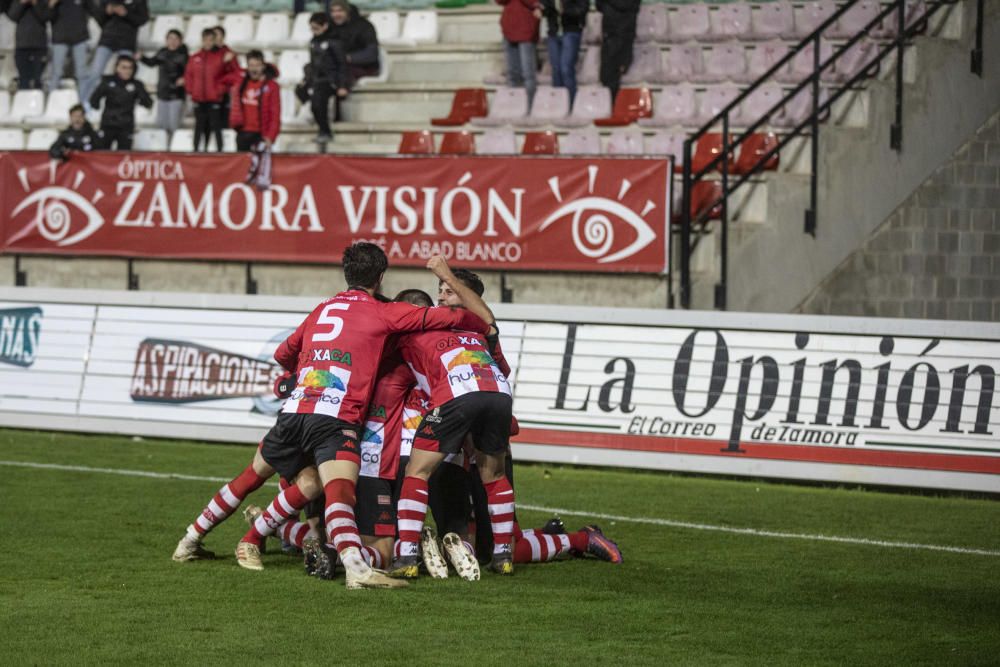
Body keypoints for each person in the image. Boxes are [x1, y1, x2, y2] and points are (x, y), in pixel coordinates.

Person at [232, 243, 492, 591]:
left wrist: (297, 380)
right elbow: (487, 328)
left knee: (317, 496)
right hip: (379, 459)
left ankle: (293, 535)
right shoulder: (413, 347)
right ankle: (294, 534)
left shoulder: (370, 332)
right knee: (379, 536)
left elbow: (291, 354)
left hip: (352, 449)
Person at [389, 255, 518, 577]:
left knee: (417, 472)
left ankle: (406, 557)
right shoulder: (477, 330)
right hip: (498, 394)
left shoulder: (418, 324)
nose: (442, 296)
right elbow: (492, 332)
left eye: (448, 290)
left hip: (457, 396)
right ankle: (503, 556)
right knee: (494, 476)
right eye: (440, 290)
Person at [82, 0, 149, 108]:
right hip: (107, 39)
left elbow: (143, 19)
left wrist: (126, 14)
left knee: (127, 74)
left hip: (127, 41)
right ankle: (84, 103)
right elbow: (100, 19)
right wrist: (106, 12)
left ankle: (126, 101)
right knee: (95, 73)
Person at [184, 28, 235, 152]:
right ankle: (196, 151)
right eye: (205, 40)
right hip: (198, 99)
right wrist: (191, 91)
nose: (208, 43)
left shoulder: (220, 57)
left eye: (210, 40)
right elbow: (188, 75)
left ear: (214, 41)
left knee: (216, 127)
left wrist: (220, 90)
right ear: (202, 40)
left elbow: (229, 76)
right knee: (199, 127)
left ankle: (220, 152)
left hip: (214, 99)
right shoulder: (195, 57)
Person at [88, 54, 152, 150]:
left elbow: (148, 103)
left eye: (130, 68)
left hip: (126, 126)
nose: (127, 71)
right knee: (102, 154)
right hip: (108, 124)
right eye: (124, 67)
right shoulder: (107, 81)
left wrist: (142, 99)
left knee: (124, 155)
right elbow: (94, 98)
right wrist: (96, 106)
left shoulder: (137, 84)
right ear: (117, 68)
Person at [139, 29, 187, 143]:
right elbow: (151, 62)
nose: (173, 41)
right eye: (170, 38)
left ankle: (172, 147)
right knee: (161, 125)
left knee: (173, 125)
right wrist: (142, 57)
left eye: (176, 39)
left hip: (176, 95)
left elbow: (190, 73)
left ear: (180, 41)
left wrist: (184, 79)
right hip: (163, 93)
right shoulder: (162, 53)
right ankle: (161, 148)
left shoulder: (184, 55)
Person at [227, 50, 280, 152]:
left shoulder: (271, 86)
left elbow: (275, 114)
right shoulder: (241, 81)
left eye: (257, 65)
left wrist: (270, 136)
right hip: (242, 133)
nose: (254, 69)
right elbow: (221, 75)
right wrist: (230, 60)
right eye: (251, 65)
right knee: (242, 167)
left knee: (259, 167)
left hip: (261, 135)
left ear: (263, 66)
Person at [306, 11, 347, 144]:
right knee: (314, 105)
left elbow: (341, 64)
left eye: (316, 28)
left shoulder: (334, 42)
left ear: (325, 26)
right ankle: (322, 129)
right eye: (312, 28)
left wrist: (341, 85)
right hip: (317, 79)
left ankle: (325, 131)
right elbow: (313, 63)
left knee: (318, 103)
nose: (314, 31)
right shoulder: (313, 42)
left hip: (330, 80)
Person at [496, 0, 541, 107]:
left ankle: (530, 107)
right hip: (509, 26)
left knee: (528, 73)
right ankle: (514, 106)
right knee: (512, 73)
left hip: (526, 26)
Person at [541, 0, 587, 104]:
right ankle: (558, 104)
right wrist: (543, 9)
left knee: (566, 68)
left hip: (571, 30)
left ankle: (571, 104)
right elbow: (545, 6)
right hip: (553, 32)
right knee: (556, 70)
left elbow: (582, 9)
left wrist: (565, 11)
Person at [596, 0, 639, 102]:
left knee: (615, 75)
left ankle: (614, 108)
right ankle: (609, 107)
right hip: (609, 33)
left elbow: (627, 4)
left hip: (624, 34)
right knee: (605, 76)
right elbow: (599, 5)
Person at [47, 0, 90, 95]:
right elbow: (47, 17)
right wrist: (51, 5)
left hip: (80, 38)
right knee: (57, 72)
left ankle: (84, 102)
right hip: (60, 39)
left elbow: (95, 11)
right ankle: (51, 100)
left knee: (82, 73)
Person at [7, 0, 49, 90]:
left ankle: (37, 100)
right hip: (22, 45)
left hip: (39, 45)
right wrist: (22, 3)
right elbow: (12, 16)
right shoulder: (18, 1)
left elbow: (46, 16)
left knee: (37, 78)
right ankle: (23, 101)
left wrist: (35, 3)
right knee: (23, 79)